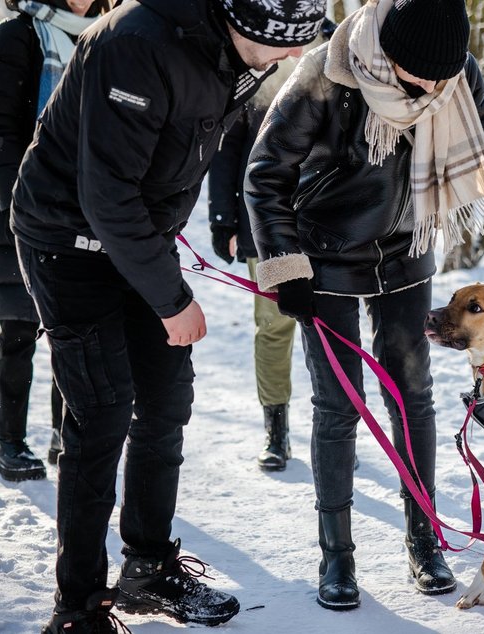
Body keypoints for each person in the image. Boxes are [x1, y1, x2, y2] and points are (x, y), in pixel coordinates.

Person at [244, 0, 484, 611]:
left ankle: (423, 538)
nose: (434, 89)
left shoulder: (453, 72)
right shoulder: (328, 71)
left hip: (407, 252)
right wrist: (287, 267)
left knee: (411, 394)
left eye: (444, 78)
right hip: (325, 259)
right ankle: (337, 556)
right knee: (339, 402)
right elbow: (265, 174)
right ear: (390, 52)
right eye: (421, 76)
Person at [10, 0, 326, 631]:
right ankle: (78, 607)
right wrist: (172, 299)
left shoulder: (240, 46)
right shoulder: (138, 43)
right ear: (237, 21)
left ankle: (148, 570)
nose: (295, 57)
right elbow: (107, 194)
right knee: (101, 414)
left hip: (139, 240)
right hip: (66, 242)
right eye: (283, 44)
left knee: (164, 402)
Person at [207, 23, 334, 472]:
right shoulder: (257, 55)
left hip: (327, 231)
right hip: (265, 225)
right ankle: (276, 429)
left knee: (331, 330)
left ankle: (336, 430)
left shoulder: (340, 52)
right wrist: (222, 219)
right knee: (274, 325)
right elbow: (227, 147)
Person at [0, 0, 108, 482]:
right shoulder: (17, 37)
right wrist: (14, 200)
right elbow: (1, 131)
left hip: (88, 208)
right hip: (21, 206)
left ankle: (67, 432)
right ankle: (8, 439)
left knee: (75, 329)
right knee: (18, 332)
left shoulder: (111, 34)